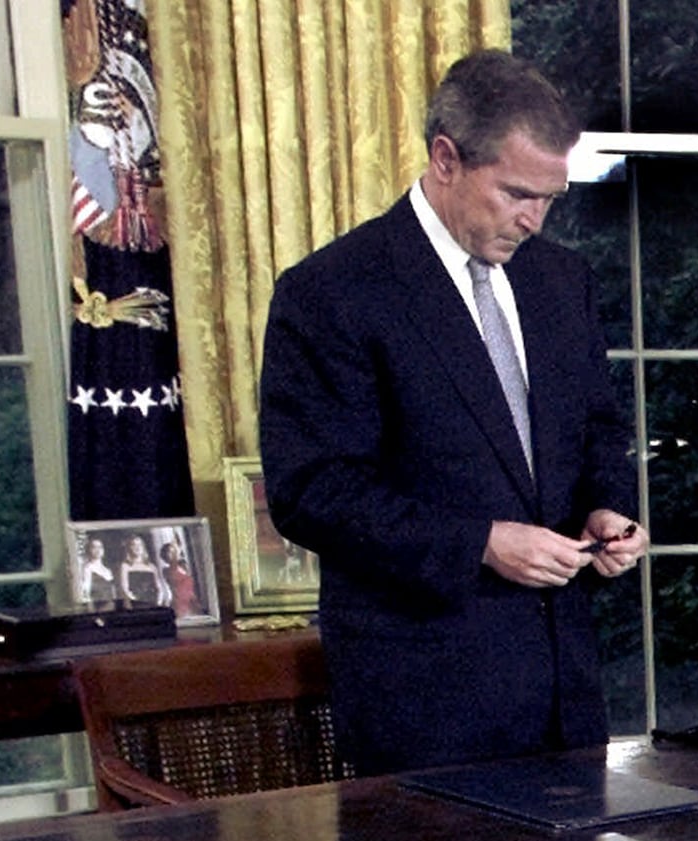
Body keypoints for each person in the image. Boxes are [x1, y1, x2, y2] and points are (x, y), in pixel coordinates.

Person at [259, 49, 648, 776]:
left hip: (566, 697)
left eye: (550, 198)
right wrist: (479, 542)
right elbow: (311, 492)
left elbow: (598, 428)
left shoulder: (563, 282)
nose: (535, 220)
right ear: (445, 158)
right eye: (516, 194)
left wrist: (606, 507)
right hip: (422, 703)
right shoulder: (332, 292)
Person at [118, 534, 168, 607]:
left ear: (143, 547)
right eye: (134, 545)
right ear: (129, 548)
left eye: (140, 545)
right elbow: (124, 588)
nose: (137, 547)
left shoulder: (151, 567)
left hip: (153, 602)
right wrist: (135, 601)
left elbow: (159, 588)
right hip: (136, 603)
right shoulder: (125, 566)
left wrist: (158, 603)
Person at [79, 536, 116, 603]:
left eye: (100, 547)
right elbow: (86, 592)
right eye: (94, 547)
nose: (98, 550)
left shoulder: (107, 571)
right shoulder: (87, 569)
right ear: (89, 550)